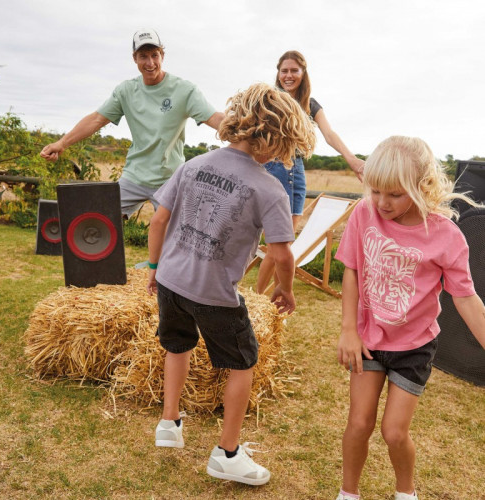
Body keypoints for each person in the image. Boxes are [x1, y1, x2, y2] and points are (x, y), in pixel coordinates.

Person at [145, 82, 316, 485]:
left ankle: (168, 423)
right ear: (277, 138)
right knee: (243, 363)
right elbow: (281, 254)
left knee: (177, 344)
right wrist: (286, 289)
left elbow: (158, 220)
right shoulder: (269, 189)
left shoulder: (193, 165)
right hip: (215, 295)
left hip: (170, 282)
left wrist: (154, 266)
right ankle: (228, 453)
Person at [334, 136, 485, 500]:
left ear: (422, 186)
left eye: (395, 195)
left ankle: (406, 493)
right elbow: (352, 269)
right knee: (358, 423)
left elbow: (465, 300)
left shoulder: (447, 236)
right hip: (368, 340)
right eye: (376, 191)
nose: (382, 203)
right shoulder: (364, 213)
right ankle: (347, 494)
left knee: (394, 432)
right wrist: (349, 330)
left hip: (414, 347)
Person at [40, 28, 224, 218]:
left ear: (162, 55)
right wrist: (61, 143)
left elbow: (214, 118)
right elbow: (96, 119)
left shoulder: (184, 90)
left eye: (155, 55)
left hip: (170, 181)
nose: (150, 63)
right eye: (143, 56)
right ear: (134, 58)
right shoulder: (126, 91)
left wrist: (249, 128)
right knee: (98, 221)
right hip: (134, 177)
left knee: (170, 238)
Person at [256, 50, 364, 293]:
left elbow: (329, 134)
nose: (289, 75)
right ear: (278, 73)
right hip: (271, 169)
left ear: (303, 73)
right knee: (277, 246)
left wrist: (352, 159)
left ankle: (269, 304)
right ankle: (253, 302)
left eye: (294, 70)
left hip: (296, 174)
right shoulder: (269, 100)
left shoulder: (310, 105)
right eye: (284, 70)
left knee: (283, 245)